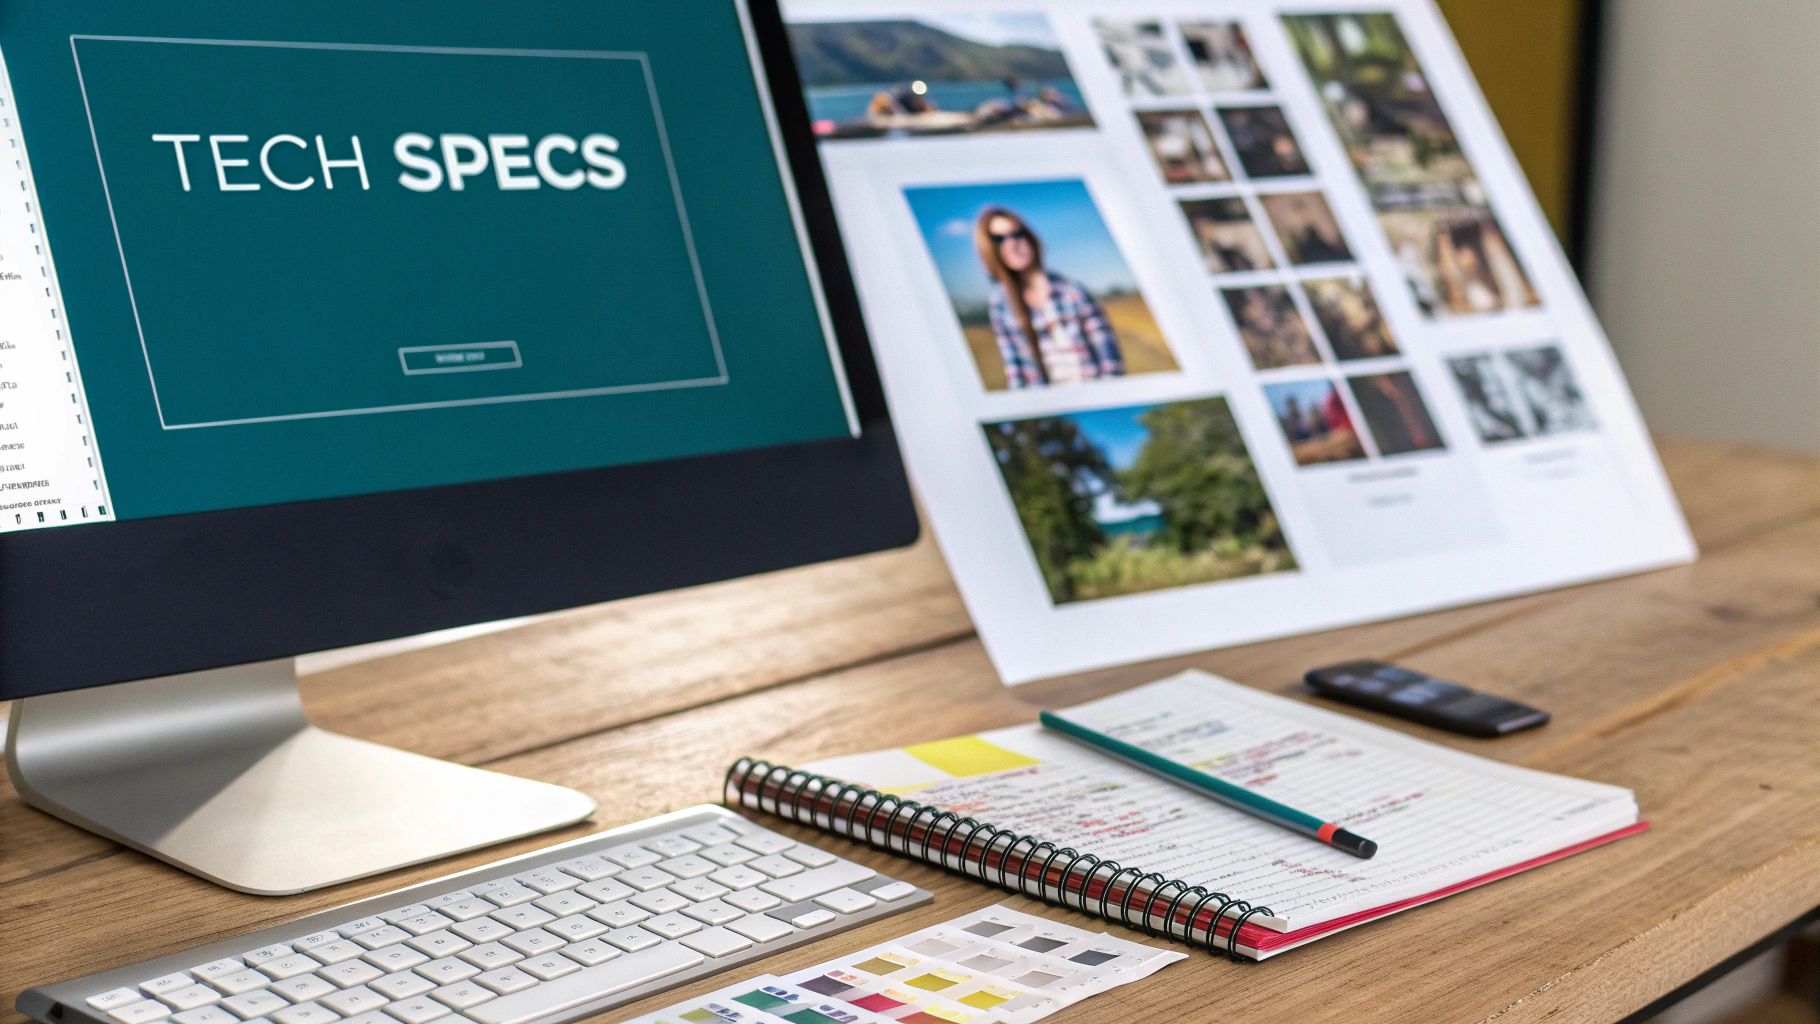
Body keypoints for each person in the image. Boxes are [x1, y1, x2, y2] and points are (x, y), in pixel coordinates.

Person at [975, 207, 1124, 387]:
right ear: (990, 249)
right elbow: (1015, 370)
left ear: (1029, 237)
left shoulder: (1072, 291)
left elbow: (1109, 359)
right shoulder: (1000, 304)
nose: (1012, 244)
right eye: (999, 239)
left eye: (1017, 234)